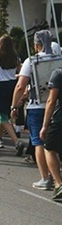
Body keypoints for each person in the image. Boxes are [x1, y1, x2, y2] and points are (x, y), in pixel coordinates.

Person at [13, 29, 57, 190]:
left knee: (39, 141)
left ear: (37, 45)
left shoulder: (32, 61)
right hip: (57, 105)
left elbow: (20, 85)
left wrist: (14, 105)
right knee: (54, 142)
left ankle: (45, 177)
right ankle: (55, 174)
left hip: (37, 105)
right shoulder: (58, 59)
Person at [0, 34, 25, 155]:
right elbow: (20, 71)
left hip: (1, 86)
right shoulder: (16, 58)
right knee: (3, 115)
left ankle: (16, 141)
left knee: (3, 116)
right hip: (13, 84)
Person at [41, 68, 62, 201]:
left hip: (59, 119)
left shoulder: (58, 74)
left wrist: (44, 125)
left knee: (49, 148)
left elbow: (51, 101)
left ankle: (59, 183)